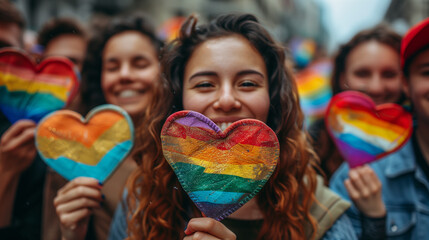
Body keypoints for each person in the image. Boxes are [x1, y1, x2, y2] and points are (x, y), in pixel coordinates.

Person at [109, 13, 357, 240]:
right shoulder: (143, 199)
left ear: (273, 98)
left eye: (247, 83)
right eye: (205, 84)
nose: (226, 100)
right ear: (178, 98)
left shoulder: (322, 213)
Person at [42, 13, 163, 240]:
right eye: (112, 67)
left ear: (163, 71)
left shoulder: (181, 151)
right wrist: (70, 234)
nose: (125, 75)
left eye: (140, 64)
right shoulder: (72, 156)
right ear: (99, 77)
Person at [330, 17, 429, 239]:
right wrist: (374, 223)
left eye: (388, 74)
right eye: (427, 72)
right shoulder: (340, 171)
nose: (376, 87)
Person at [309, 25, 403, 180]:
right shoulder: (314, 141)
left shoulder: (420, 139)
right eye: (362, 74)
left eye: (389, 74)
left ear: (405, 79)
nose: (376, 88)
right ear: (342, 78)